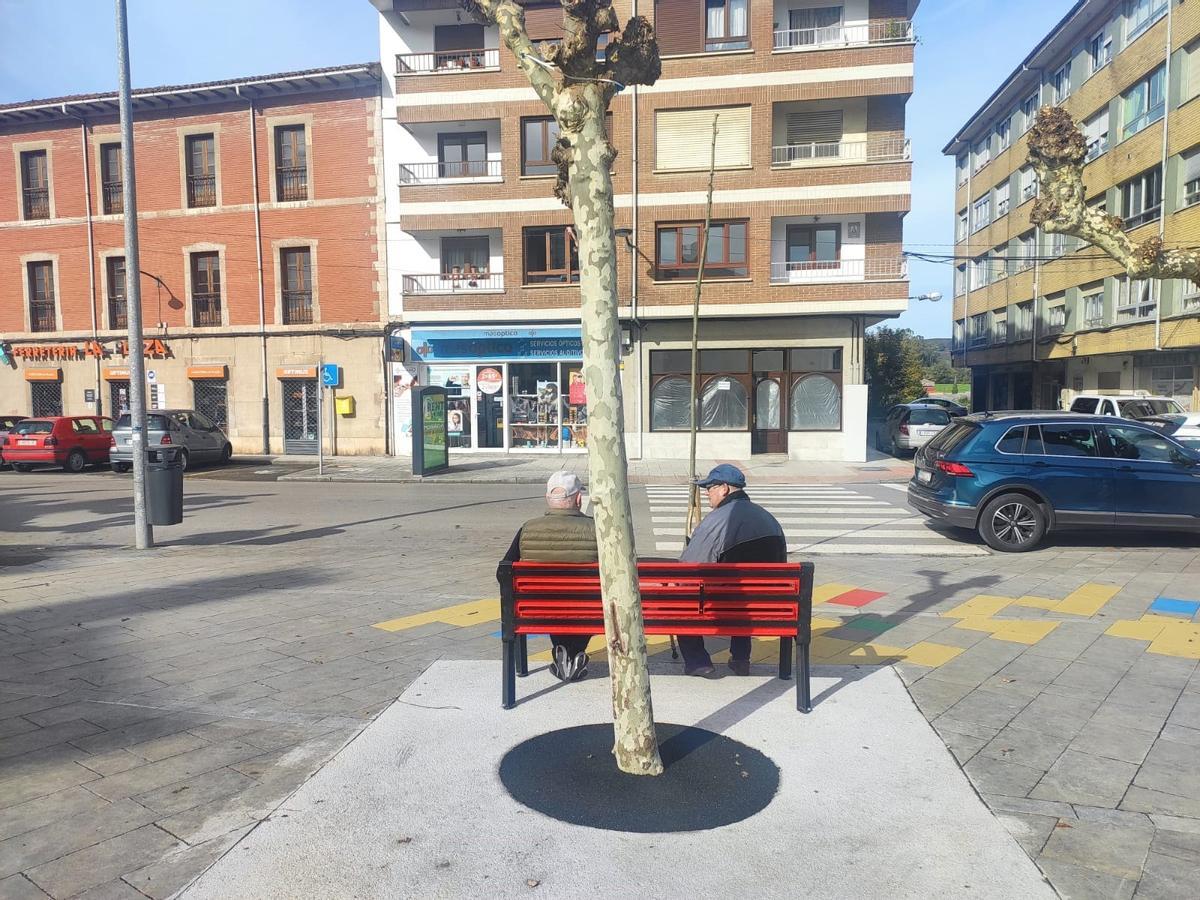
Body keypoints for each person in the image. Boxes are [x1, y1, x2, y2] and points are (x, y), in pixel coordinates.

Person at [677, 464, 787, 677]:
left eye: (709, 488)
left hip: (725, 605)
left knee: (680, 598)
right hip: (769, 605)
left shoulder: (717, 521)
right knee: (743, 593)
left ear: (724, 488)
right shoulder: (769, 519)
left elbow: (689, 570)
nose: (707, 493)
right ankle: (740, 657)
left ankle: (698, 661)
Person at [499, 471, 598, 682]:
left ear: (548, 499)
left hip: (539, 610)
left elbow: (503, 572)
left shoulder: (527, 529)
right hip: (589, 612)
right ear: (579, 499)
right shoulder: (596, 529)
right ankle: (576, 652)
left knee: (554, 600)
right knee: (583, 599)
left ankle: (562, 650)